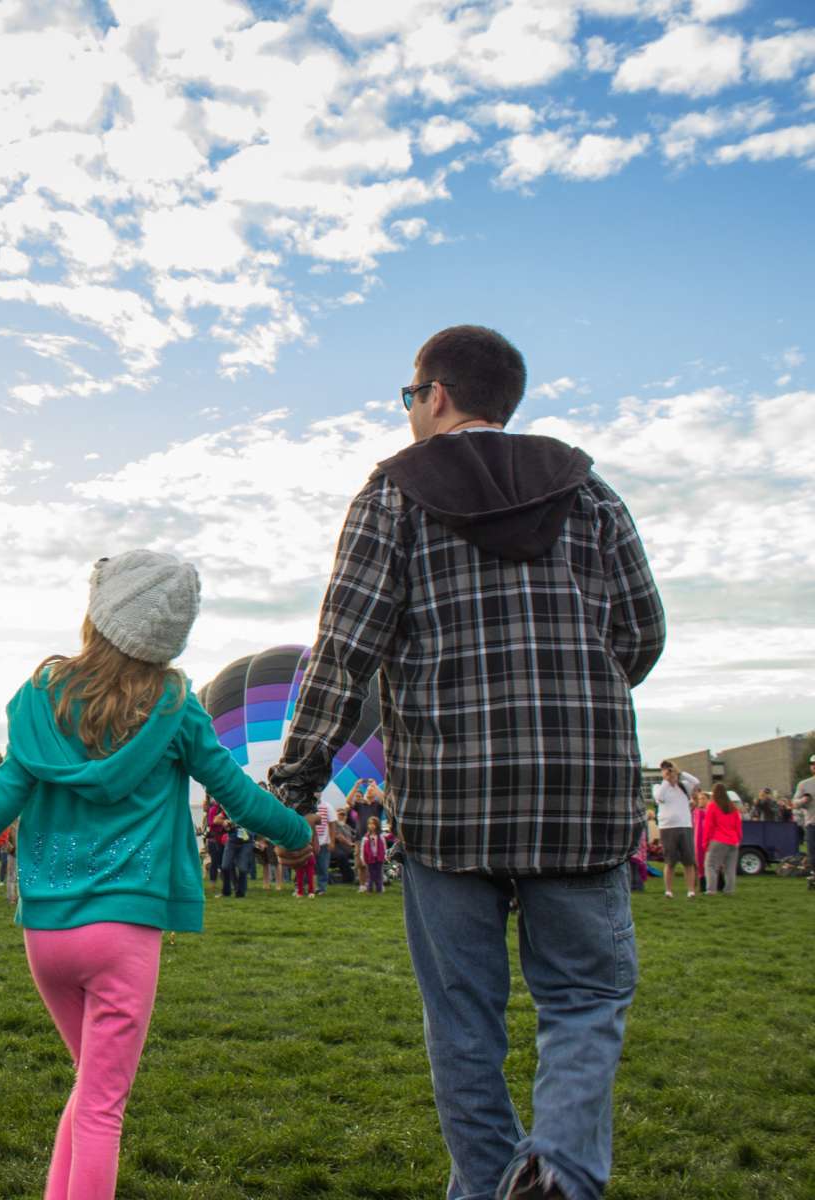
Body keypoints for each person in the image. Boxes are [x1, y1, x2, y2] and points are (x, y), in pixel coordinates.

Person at [269, 325, 665, 1200]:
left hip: (450, 805)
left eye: (409, 396)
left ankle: (494, 1184)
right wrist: (582, 701)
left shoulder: (394, 493)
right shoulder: (590, 492)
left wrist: (296, 779)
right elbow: (642, 632)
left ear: (435, 394)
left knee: (463, 1023)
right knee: (584, 1002)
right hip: (581, 797)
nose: (409, 412)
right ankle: (557, 1171)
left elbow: (344, 650)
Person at [0, 551, 312, 1200]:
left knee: (89, 1091)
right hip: (123, 930)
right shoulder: (176, 708)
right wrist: (300, 838)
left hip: (47, 933)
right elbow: (238, 797)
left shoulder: (40, 699)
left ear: (99, 615)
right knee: (104, 1107)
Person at [654, 761, 698, 899]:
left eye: (669, 769)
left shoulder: (684, 786)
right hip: (667, 827)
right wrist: (666, 780)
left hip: (685, 825)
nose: (668, 772)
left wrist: (680, 773)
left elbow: (696, 782)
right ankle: (668, 890)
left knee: (688, 860)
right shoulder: (659, 787)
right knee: (670, 860)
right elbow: (659, 797)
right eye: (665, 770)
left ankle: (690, 890)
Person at [698, 786, 742, 895]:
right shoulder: (733, 807)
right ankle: (729, 890)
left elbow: (708, 826)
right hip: (733, 840)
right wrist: (738, 839)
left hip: (718, 839)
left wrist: (705, 842)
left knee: (710, 865)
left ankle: (711, 890)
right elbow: (738, 826)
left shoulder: (713, 806)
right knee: (730, 868)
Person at [359, 815, 389, 894]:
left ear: (377, 825)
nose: (371, 826)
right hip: (369, 858)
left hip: (379, 858)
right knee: (370, 875)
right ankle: (369, 889)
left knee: (379, 874)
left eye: (373, 824)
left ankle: (379, 889)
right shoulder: (365, 838)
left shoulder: (381, 837)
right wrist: (362, 859)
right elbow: (362, 849)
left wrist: (385, 856)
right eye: (370, 824)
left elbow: (384, 847)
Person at [795, 755, 815, 870]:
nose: (814, 766)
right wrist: (803, 800)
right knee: (813, 854)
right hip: (812, 824)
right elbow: (794, 803)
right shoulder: (804, 784)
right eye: (812, 764)